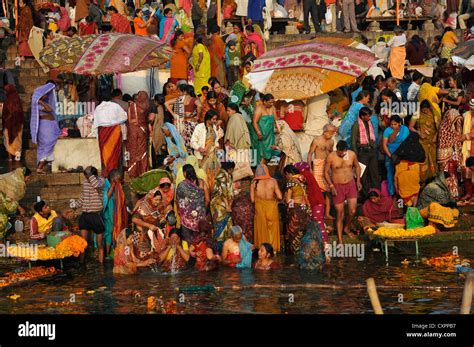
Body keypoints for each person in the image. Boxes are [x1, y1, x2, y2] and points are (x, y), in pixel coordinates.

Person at [324, 140, 362, 243]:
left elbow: (357, 166)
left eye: (343, 152)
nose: (342, 154)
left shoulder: (352, 154)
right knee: (340, 213)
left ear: (346, 149)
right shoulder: (331, 157)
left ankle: (346, 227)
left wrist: (358, 180)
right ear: (337, 149)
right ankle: (340, 240)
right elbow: (326, 172)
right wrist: (331, 186)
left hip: (350, 184)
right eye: (340, 152)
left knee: (352, 211)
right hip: (337, 186)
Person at [74, 166, 106, 264]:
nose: (87, 178)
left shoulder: (101, 181)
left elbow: (96, 185)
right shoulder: (85, 183)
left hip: (95, 215)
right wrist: (74, 205)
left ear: (93, 175)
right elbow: (83, 198)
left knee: (100, 244)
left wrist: (90, 174)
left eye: (88, 176)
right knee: (83, 243)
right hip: (85, 215)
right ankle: (81, 264)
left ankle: (101, 266)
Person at [93, 95, 128, 178]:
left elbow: (96, 123)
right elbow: (124, 117)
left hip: (103, 132)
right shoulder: (115, 106)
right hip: (114, 132)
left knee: (105, 154)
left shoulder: (98, 108)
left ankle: (107, 176)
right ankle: (117, 176)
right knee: (116, 154)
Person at [251, 163, 282, 253]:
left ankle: (263, 250)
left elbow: (252, 200)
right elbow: (280, 197)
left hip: (260, 209)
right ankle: (274, 250)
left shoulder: (254, 182)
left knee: (262, 230)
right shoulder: (273, 181)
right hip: (271, 208)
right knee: (272, 229)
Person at [308, 124, 337, 221]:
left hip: (327, 166)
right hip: (318, 165)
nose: (332, 134)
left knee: (328, 190)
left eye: (333, 132)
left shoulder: (331, 141)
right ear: (325, 131)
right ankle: (318, 212)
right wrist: (310, 168)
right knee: (318, 190)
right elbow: (310, 153)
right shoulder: (317, 140)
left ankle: (327, 213)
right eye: (331, 132)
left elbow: (331, 154)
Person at [31, 82, 61, 175]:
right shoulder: (38, 104)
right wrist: (41, 102)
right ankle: (39, 167)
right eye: (44, 95)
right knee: (47, 147)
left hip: (50, 126)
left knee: (48, 147)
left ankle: (43, 167)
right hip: (45, 127)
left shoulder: (44, 102)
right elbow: (49, 110)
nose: (46, 96)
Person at [351, 107, 380, 197]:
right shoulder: (356, 125)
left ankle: (376, 193)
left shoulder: (369, 123)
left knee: (374, 173)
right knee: (362, 175)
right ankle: (365, 194)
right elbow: (353, 141)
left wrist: (374, 146)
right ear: (362, 116)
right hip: (362, 152)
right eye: (368, 116)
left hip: (371, 151)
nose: (369, 117)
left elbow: (371, 137)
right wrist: (356, 155)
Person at [437, 109, 466, 199]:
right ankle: (446, 196)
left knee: (453, 175)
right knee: (446, 176)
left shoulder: (454, 129)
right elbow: (454, 139)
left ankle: (454, 195)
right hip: (445, 158)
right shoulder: (443, 128)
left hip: (452, 156)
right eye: (455, 120)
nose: (457, 123)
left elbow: (458, 137)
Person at [176, 164, 208, 243]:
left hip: (187, 219)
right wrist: (202, 211)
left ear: (184, 173)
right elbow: (207, 199)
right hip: (200, 218)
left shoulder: (181, 186)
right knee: (200, 241)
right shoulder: (202, 182)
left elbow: (178, 201)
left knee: (188, 241)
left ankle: (188, 253)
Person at [283, 164, 311, 254]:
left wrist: (289, 210)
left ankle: (295, 254)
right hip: (305, 208)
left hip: (296, 208)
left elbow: (288, 200)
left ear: (288, 173)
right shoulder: (303, 179)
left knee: (294, 233)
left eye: (285, 175)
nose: (286, 178)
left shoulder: (291, 181)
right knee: (303, 231)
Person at [409, 100, 438, 182]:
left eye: (426, 109)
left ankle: (434, 179)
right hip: (422, 141)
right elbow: (410, 127)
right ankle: (423, 180)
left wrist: (435, 137)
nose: (425, 111)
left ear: (429, 108)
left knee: (433, 158)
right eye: (423, 109)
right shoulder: (416, 113)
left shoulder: (434, 114)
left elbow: (439, 127)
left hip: (433, 141)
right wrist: (419, 133)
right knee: (423, 160)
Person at [165, 84, 200, 151]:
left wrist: (173, 115)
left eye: (180, 92)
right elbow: (200, 106)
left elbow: (166, 103)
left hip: (180, 123)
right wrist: (197, 116)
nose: (179, 93)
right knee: (191, 141)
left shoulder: (179, 99)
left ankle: (182, 156)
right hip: (190, 123)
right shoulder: (194, 99)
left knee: (181, 141)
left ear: (185, 91)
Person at [382, 115, 410, 196]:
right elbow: (384, 144)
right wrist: (390, 156)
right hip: (390, 154)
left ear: (399, 123)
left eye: (395, 124)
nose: (393, 126)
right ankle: (392, 192)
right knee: (390, 173)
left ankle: (402, 192)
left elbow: (407, 143)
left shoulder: (405, 129)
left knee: (401, 173)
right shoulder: (387, 130)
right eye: (391, 124)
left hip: (402, 155)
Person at [250, 93, 280, 165]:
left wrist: (278, 128)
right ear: (264, 102)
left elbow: (276, 120)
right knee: (261, 155)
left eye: (273, 102)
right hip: (260, 135)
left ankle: (271, 169)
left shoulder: (273, 108)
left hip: (270, 135)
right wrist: (258, 132)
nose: (272, 104)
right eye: (270, 102)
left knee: (273, 152)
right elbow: (254, 122)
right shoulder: (259, 108)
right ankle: (260, 172)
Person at [191, 109, 223, 175]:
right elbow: (193, 142)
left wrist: (217, 147)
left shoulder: (214, 127)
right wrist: (199, 148)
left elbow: (215, 140)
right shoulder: (199, 127)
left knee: (212, 175)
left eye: (215, 119)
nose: (215, 121)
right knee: (203, 175)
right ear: (208, 119)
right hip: (202, 155)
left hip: (213, 155)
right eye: (213, 119)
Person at [211, 162, 235, 248]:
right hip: (220, 204)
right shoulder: (223, 176)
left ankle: (222, 248)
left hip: (219, 204)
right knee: (223, 225)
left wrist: (229, 205)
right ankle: (223, 248)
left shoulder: (221, 175)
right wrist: (228, 206)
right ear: (230, 169)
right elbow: (224, 193)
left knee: (221, 225)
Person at [126, 91, 150, 178]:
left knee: (133, 150)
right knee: (142, 151)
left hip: (132, 131)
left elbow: (129, 120)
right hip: (143, 131)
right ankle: (143, 171)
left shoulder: (132, 105)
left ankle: (133, 171)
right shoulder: (146, 107)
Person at [2, 85, 24, 162]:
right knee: (18, 139)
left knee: (8, 140)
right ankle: (17, 156)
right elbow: (21, 113)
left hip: (9, 123)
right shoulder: (18, 100)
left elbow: (5, 113)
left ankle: (10, 157)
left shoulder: (7, 100)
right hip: (18, 124)